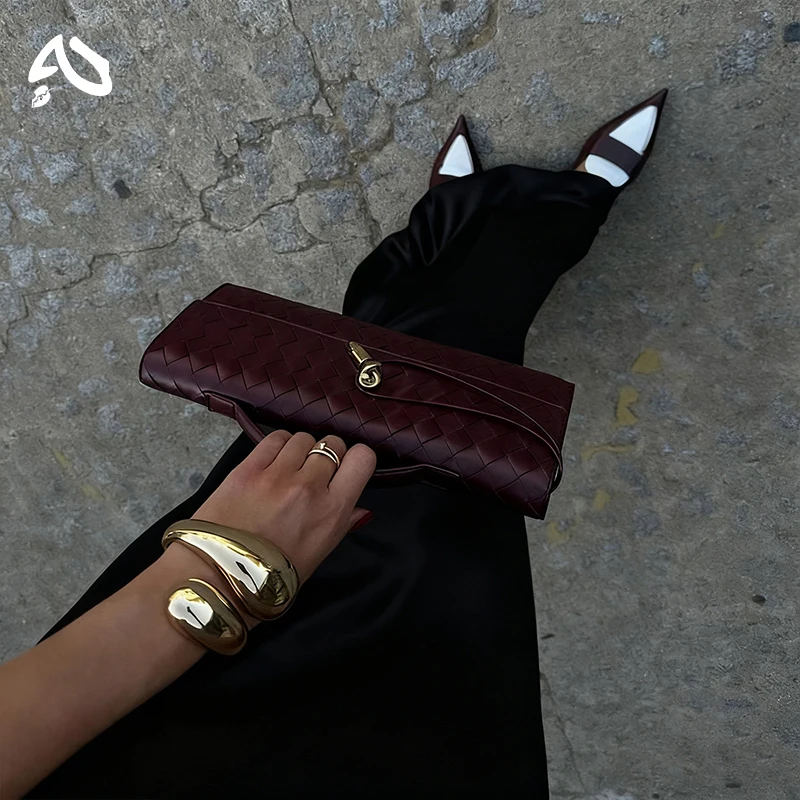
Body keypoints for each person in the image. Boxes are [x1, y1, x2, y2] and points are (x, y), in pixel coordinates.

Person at [0, 88, 668, 798]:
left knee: (374, 435)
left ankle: (490, 224)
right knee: (416, 479)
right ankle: (459, 229)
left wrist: (221, 567)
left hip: (117, 687)